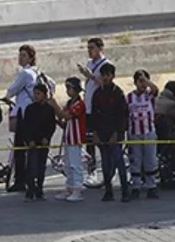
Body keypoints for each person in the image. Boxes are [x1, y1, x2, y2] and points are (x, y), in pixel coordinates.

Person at [91, 62, 130, 202]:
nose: (105, 78)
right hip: (102, 133)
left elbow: (122, 115)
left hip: (115, 133)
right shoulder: (97, 94)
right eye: (103, 75)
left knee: (119, 161)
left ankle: (125, 190)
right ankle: (108, 190)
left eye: (108, 75)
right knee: (106, 163)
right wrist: (95, 133)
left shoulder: (118, 93)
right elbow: (94, 115)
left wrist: (116, 133)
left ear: (113, 76)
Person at [4, 44, 41, 191]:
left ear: (31, 58)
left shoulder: (25, 74)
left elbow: (12, 90)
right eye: (20, 55)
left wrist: (6, 97)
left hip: (24, 115)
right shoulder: (35, 73)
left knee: (20, 149)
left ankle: (21, 181)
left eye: (24, 55)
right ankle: (30, 177)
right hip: (31, 113)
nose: (20, 58)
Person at [51, 76, 88, 202]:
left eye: (69, 88)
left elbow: (65, 115)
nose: (67, 91)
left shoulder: (79, 104)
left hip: (76, 138)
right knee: (67, 165)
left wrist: (54, 105)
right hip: (68, 138)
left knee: (75, 164)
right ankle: (69, 187)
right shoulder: (69, 103)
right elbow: (62, 118)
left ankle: (78, 188)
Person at [19, 84, 57, 201]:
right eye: (35, 93)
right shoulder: (30, 109)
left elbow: (51, 126)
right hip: (32, 143)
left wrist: (47, 137)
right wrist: (29, 140)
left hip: (43, 142)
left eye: (38, 94)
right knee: (32, 167)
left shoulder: (49, 109)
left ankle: (39, 190)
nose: (36, 96)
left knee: (41, 167)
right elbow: (25, 126)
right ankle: (30, 191)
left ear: (44, 95)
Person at [128, 69, 160, 199]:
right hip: (135, 133)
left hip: (149, 132)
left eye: (144, 81)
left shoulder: (149, 96)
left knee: (150, 159)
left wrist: (146, 81)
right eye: (139, 81)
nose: (142, 84)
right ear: (135, 82)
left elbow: (156, 90)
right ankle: (136, 186)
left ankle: (151, 186)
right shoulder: (129, 97)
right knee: (136, 160)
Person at [79, 38, 110, 169]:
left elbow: (105, 84)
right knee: (89, 139)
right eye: (88, 48)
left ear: (100, 48)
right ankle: (91, 167)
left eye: (92, 48)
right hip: (88, 106)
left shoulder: (106, 64)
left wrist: (91, 76)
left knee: (100, 139)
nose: (89, 51)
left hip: (99, 108)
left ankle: (107, 165)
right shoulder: (89, 63)